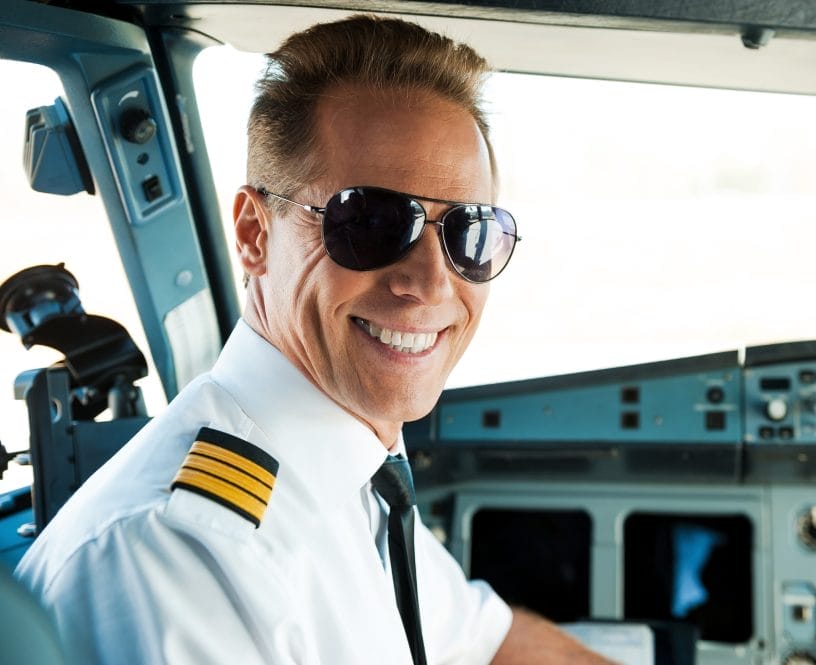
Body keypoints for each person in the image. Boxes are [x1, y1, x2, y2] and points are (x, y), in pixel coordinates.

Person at [15, 14, 614, 665]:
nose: (431, 282)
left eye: (468, 231)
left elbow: (482, 640)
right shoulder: (177, 555)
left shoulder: (355, 467)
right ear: (253, 233)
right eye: (373, 222)